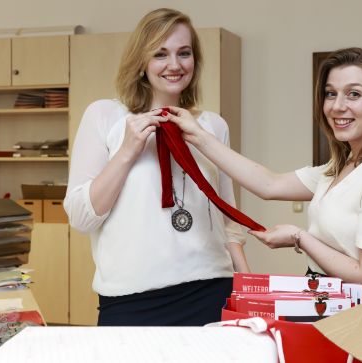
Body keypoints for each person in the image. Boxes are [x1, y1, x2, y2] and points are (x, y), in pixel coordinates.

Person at [168, 47, 362, 297]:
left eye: (354, 94)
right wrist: (199, 136)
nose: (337, 106)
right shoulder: (343, 166)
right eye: (330, 94)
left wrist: (299, 237)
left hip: (351, 312)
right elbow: (270, 184)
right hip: (322, 296)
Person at [63, 8, 250, 326]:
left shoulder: (212, 126)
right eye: (160, 54)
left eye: (184, 53)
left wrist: (246, 285)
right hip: (131, 300)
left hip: (212, 291)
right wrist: (127, 152)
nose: (175, 65)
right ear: (141, 62)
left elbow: (228, 218)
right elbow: (81, 217)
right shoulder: (105, 116)